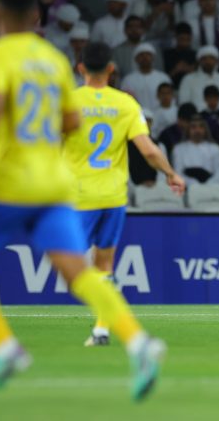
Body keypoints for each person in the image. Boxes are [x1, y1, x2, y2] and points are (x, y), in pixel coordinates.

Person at [0, 0, 165, 399]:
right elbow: (70, 122)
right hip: (55, 184)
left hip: (8, 182)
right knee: (82, 272)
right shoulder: (54, 60)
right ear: (37, 19)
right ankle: (139, 343)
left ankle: (4, 346)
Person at [64, 42, 184, 347]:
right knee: (104, 266)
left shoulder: (68, 102)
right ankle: (102, 330)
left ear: (80, 68)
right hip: (114, 198)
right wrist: (170, 174)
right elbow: (147, 149)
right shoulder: (126, 104)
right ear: (111, 69)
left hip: (79, 197)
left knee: (72, 267)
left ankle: (105, 316)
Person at [177, 45, 219, 112]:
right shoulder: (188, 79)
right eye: (204, 59)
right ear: (199, 61)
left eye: (211, 59)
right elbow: (183, 103)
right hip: (196, 119)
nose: (208, 62)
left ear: (217, 61)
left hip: (218, 118)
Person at [172, 114, 219, 185]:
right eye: (193, 127)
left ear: (205, 129)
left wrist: (208, 185)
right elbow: (178, 172)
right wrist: (193, 184)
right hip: (187, 188)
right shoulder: (178, 149)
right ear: (188, 130)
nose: (198, 130)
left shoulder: (215, 148)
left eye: (201, 127)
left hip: (212, 187)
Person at [119, 43, 171, 109]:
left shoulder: (163, 78)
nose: (145, 57)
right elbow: (124, 101)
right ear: (136, 59)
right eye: (141, 55)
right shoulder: (128, 80)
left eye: (148, 55)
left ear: (153, 57)